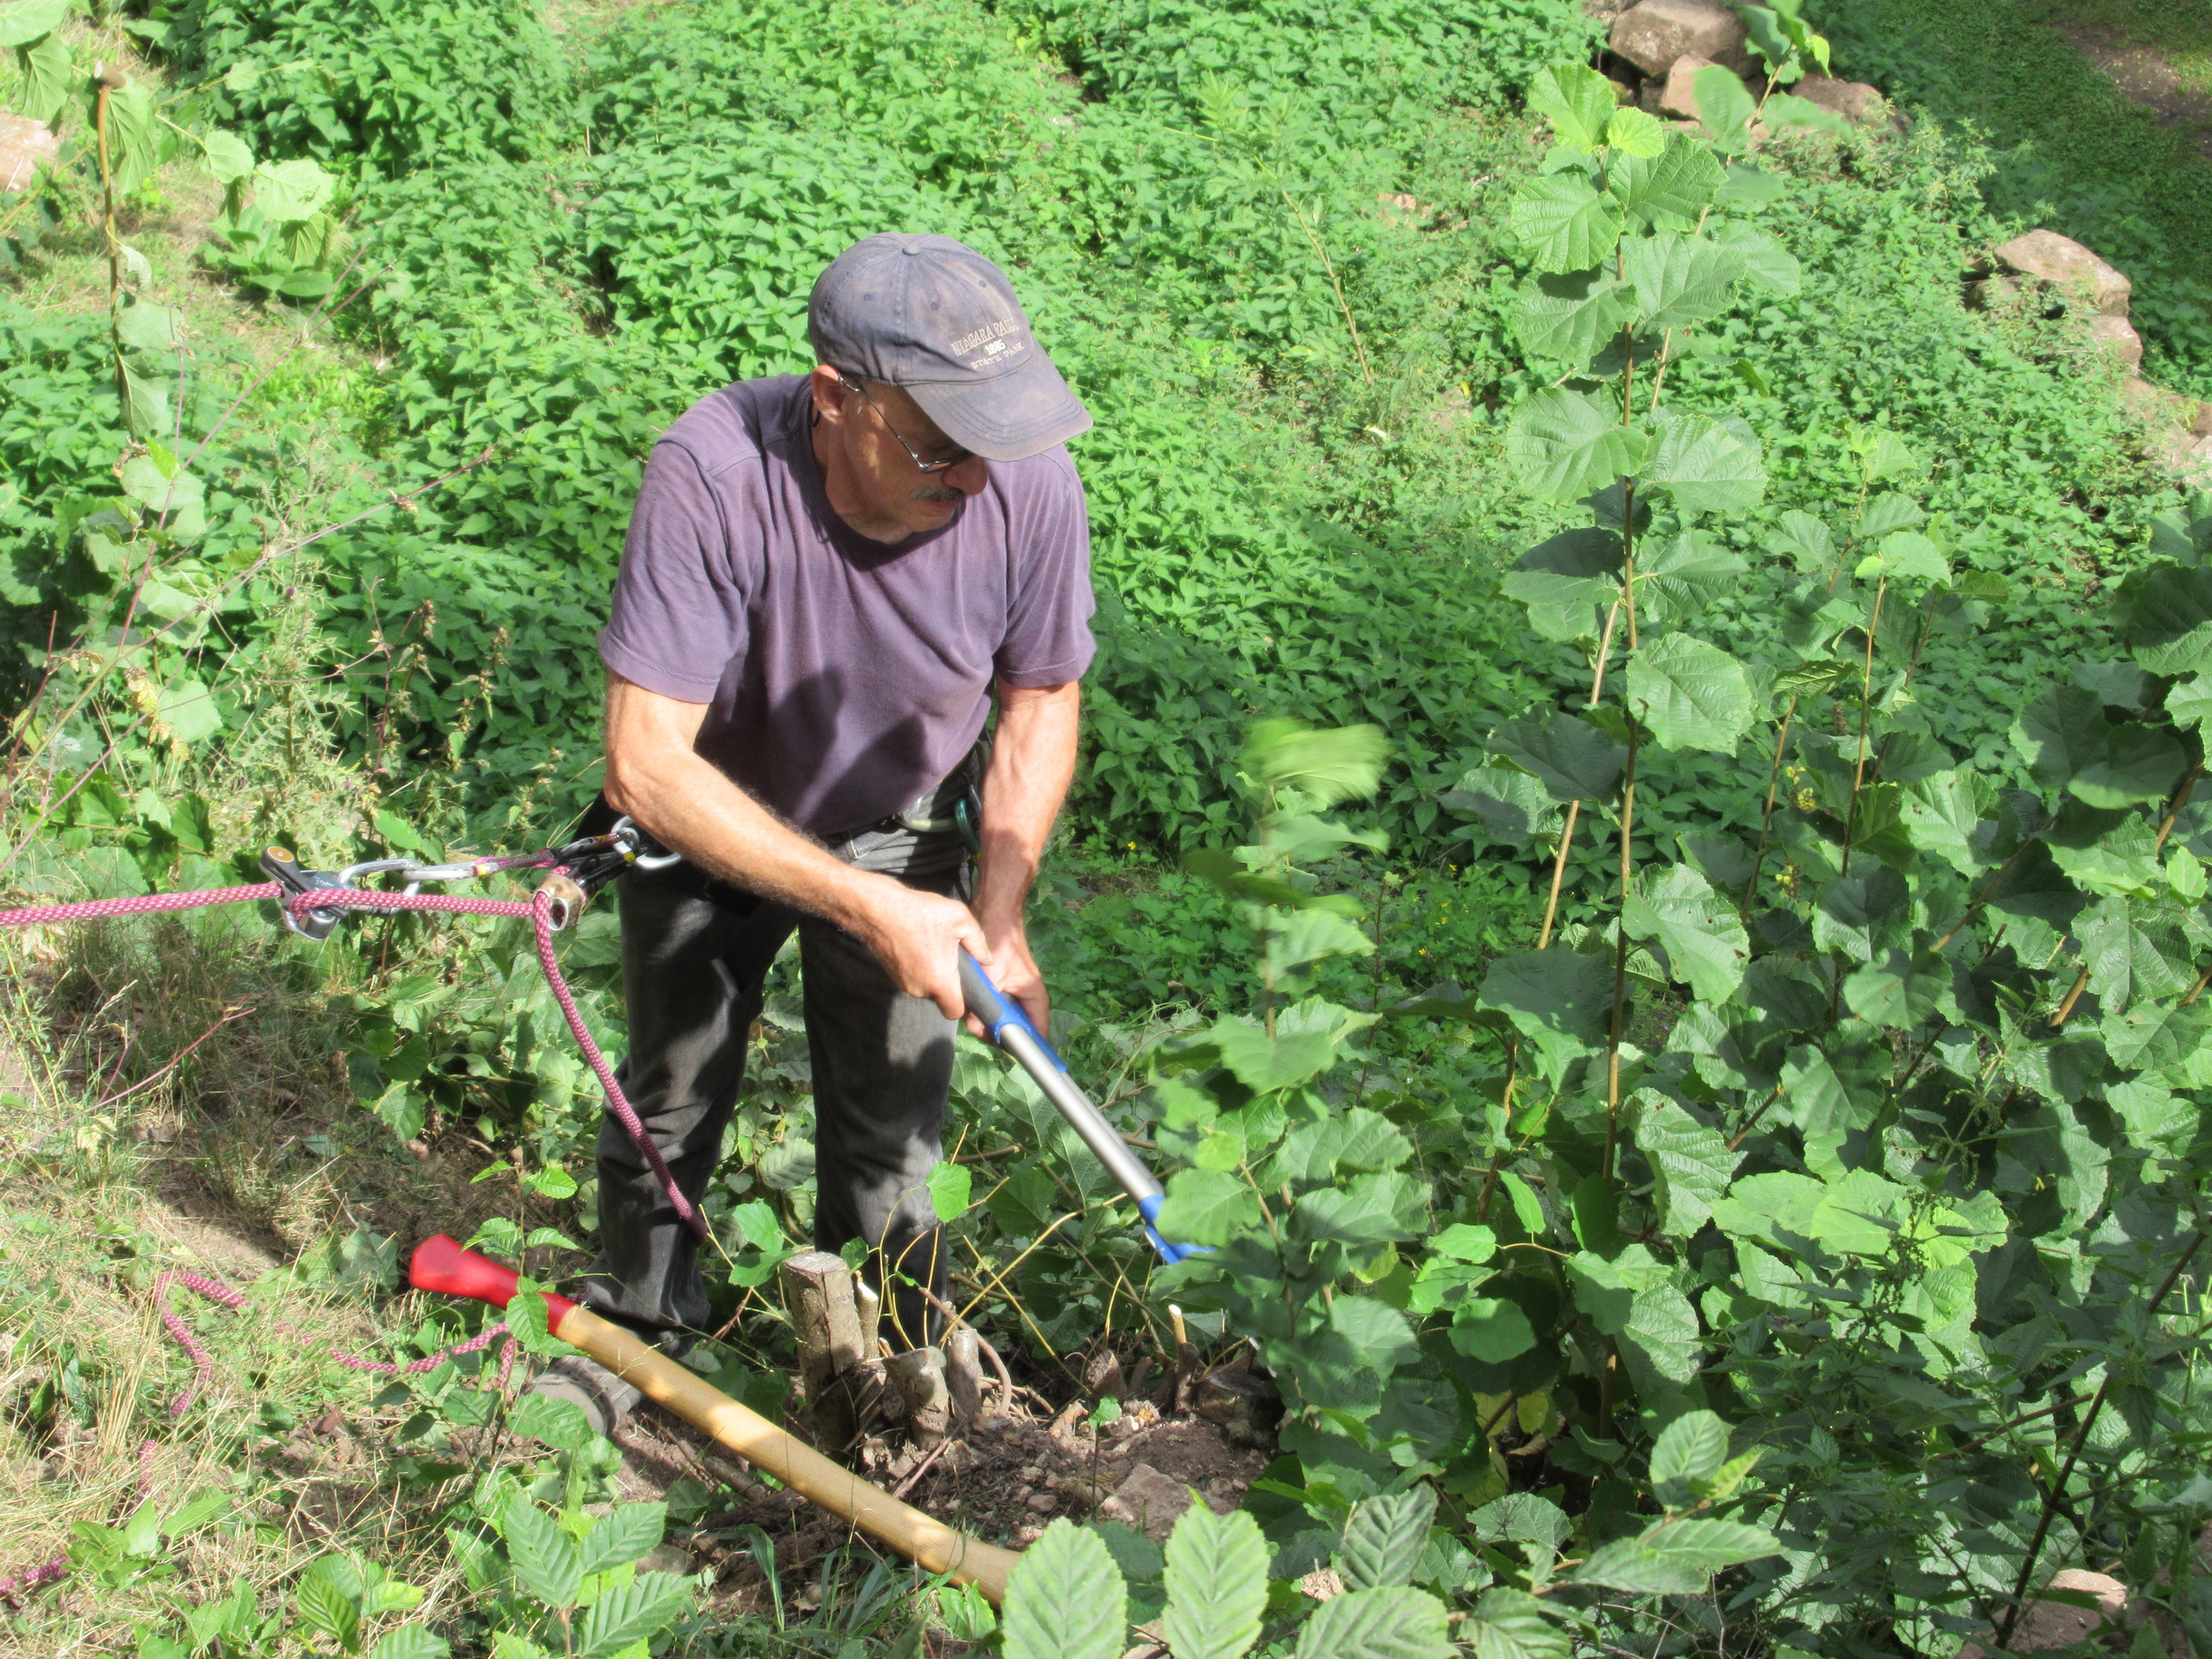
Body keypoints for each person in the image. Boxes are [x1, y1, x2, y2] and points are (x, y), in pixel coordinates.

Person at [529, 234, 1096, 1434]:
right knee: (673, 1087)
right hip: (709, 821)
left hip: (904, 826)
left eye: (989, 440)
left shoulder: (1025, 479)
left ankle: (894, 1383)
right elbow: (646, 763)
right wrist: (863, 904)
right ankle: (639, 1329)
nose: (975, 479)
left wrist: (996, 915)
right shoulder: (715, 472)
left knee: (896, 1135)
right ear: (837, 398)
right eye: (938, 446)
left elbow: (1043, 693)